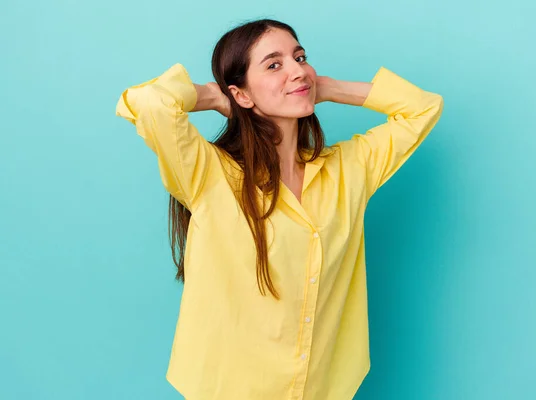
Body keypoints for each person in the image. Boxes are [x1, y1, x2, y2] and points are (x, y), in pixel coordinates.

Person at [115, 18, 443, 400]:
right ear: (242, 94)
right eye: (274, 64)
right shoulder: (211, 174)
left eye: (300, 57)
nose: (297, 70)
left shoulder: (348, 170)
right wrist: (215, 96)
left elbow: (424, 108)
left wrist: (328, 88)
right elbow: (150, 102)